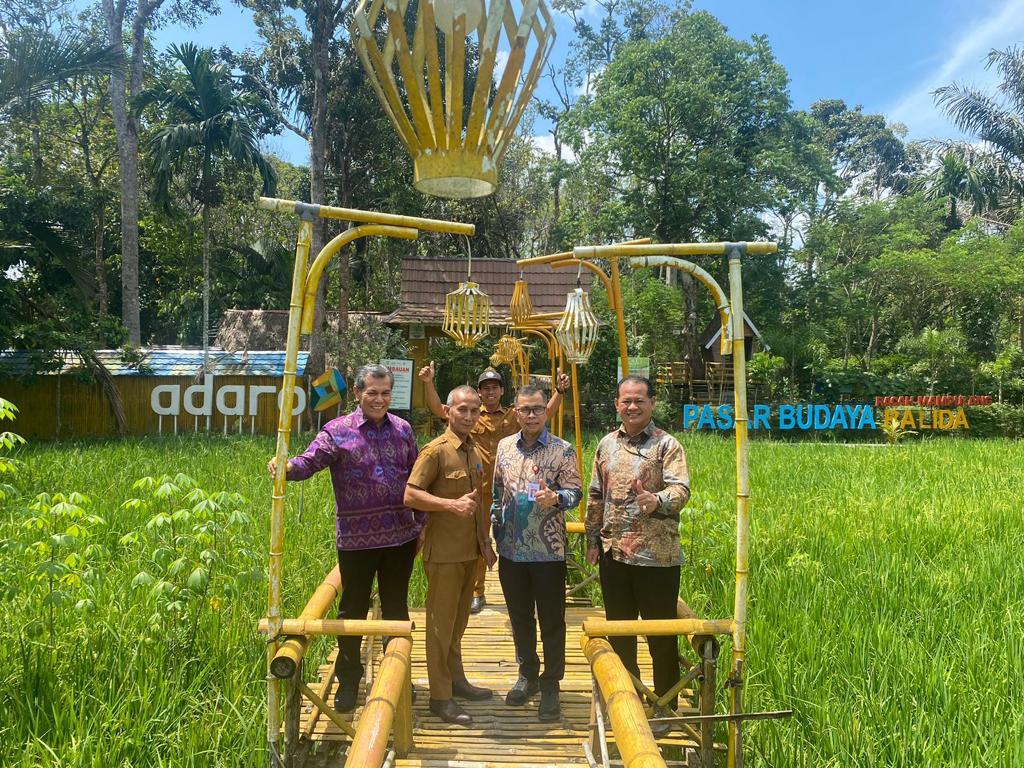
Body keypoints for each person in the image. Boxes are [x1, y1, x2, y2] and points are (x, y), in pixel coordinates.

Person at [267, 364, 421, 713]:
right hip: (356, 541)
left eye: (385, 393)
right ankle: (349, 680)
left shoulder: (403, 430)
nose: (379, 399)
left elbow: (417, 477)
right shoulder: (337, 431)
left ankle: (398, 676)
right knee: (352, 609)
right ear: (357, 393)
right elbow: (309, 462)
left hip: (401, 538)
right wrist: (287, 468)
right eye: (372, 392)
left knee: (396, 608)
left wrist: (422, 524)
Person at [418, 362, 569, 613]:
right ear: (479, 392)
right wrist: (428, 383)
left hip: (506, 491)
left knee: (515, 537)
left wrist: (559, 392)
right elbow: (439, 409)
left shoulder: (513, 415)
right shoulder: (470, 414)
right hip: (473, 490)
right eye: (486, 388)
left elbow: (546, 413)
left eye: (495, 387)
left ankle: (519, 590)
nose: (490, 392)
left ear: (502, 391)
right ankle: (476, 590)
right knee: (475, 540)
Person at [585, 375, 690, 729]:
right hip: (613, 555)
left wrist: (656, 500)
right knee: (620, 633)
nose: (632, 406)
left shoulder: (666, 445)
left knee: (661, 637)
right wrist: (591, 539)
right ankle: (627, 700)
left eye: (639, 401)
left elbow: (681, 490)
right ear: (617, 404)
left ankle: (665, 707)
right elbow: (595, 494)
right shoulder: (606, 444)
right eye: (626, 401)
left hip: (655, 558)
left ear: (652, 403)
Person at [404, 385, 498, 726]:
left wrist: (485, 543)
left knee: (458, 623)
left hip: (469, 552)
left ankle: (457, 680)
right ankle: (440, 697)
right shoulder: (436, 452)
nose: (469, 416)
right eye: (462, 410)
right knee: (440, 628)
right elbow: (410, 495)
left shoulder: (473, 451)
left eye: (474, 411)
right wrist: (449, 505)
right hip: (443, 554)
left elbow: (478, 503)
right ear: (448, 411)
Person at [491, 384, 581, 722]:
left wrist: (556, 498)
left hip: (548, 550)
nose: (531, 415)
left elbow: (576, 492)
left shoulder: (562, 450)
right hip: (511, 550)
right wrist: (494, 527)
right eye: (525, 409)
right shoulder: (504, 447)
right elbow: (497, 493)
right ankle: (527, 673)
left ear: (547, 411)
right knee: (519, 617)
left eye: (537, 409)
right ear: (515, 412)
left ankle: (551, 683)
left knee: (552, 620)